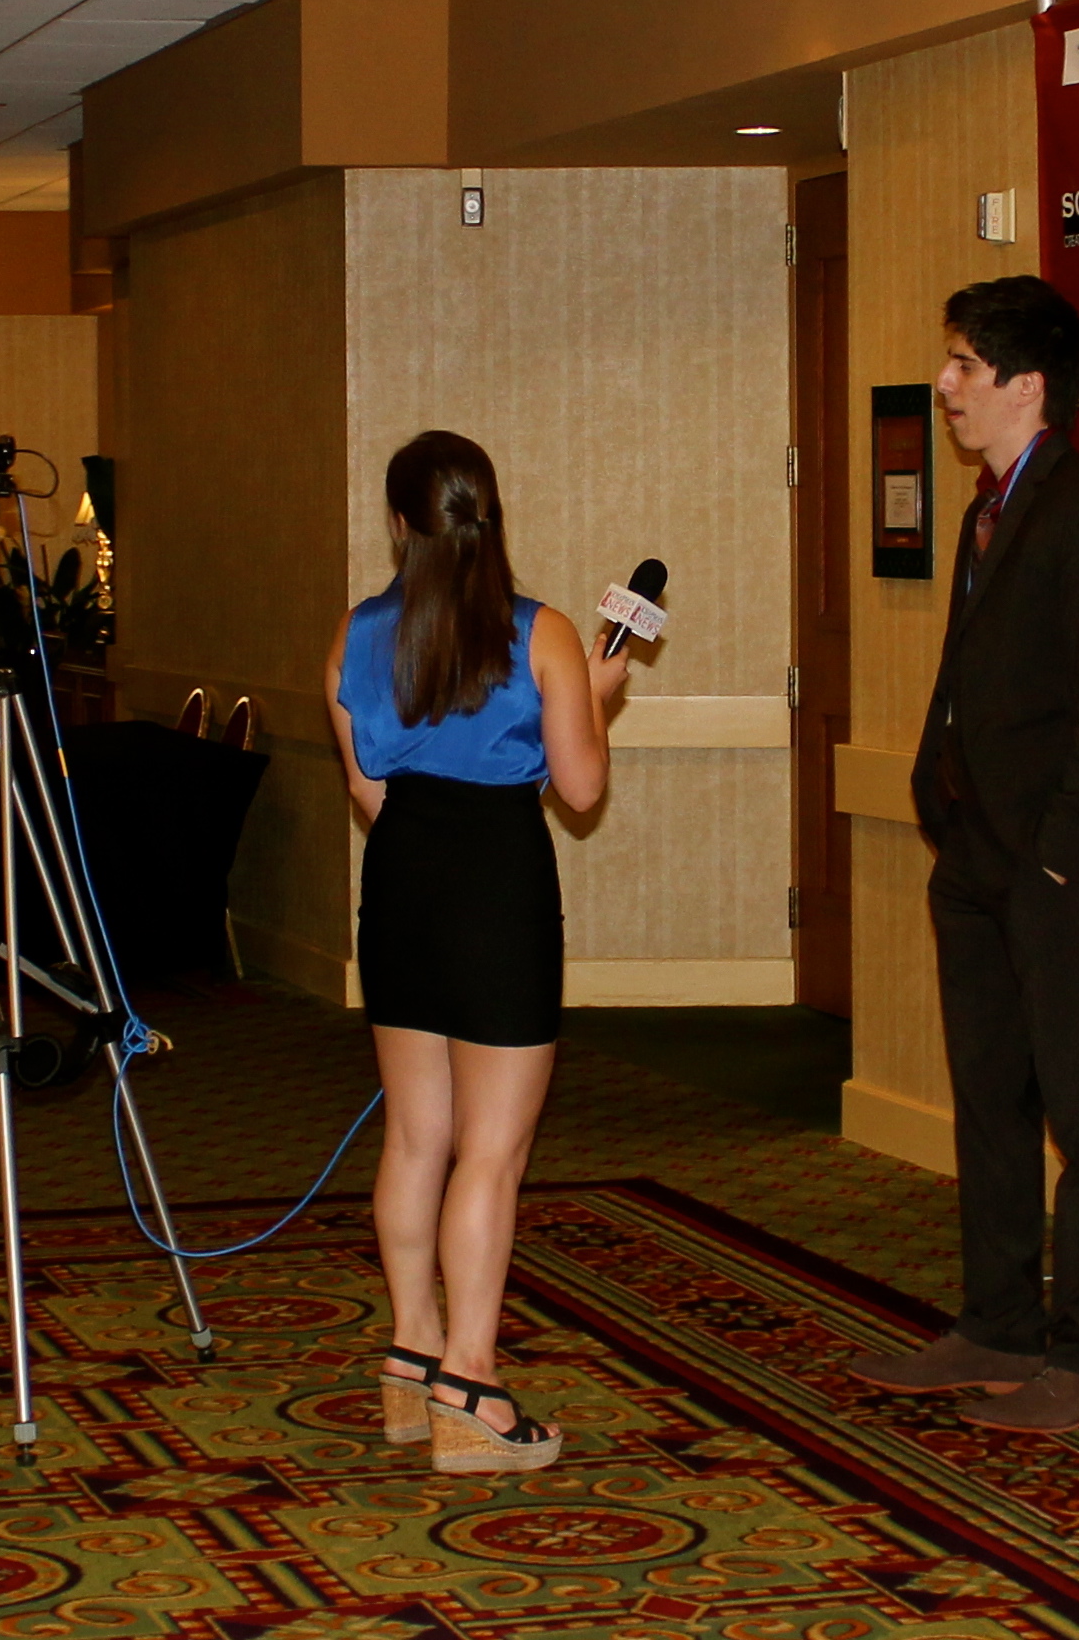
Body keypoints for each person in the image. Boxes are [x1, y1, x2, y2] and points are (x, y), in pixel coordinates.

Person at [853, 274, 1079, 1432]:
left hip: (1049, 870)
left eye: (964, 366)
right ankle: (994, 1325)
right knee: (986, 1098)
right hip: (974, 856)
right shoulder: (989, 506)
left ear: (1028, 386)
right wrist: (942, 800)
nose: (943, 384)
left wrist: (1060, 862)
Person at [326, 431, 621, 1475]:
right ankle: (469, 1376)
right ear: (488, 515)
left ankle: (409, 1355)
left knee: (416, 1135)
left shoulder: (355, 632)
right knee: (489, 1150)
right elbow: (579, 790)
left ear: (399, 523)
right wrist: (591, 692)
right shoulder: (538, 633)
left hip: (399, 875)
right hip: (496, 880)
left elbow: (368, 786)